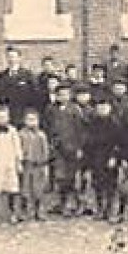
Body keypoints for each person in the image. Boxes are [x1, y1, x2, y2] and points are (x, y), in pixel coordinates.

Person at [47, 84, 86, 217]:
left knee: (72, 178)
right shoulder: (51, 109)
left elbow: (81, 130)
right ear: (56, 96)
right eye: (60, 94)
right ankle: (62, 204)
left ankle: (78, 203)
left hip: (72, 148)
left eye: (66, 94)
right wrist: (51, 144)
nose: (63, 97)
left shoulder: (75, 110)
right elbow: (48, 127)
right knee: (60, 177)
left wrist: (79, 147)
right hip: (57, 149)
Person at [82, 98, 121, 221]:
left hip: (110, 158)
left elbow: (119, 143)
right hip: (96, 158)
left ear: (109, 109)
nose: (102, 110)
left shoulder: (115, 124)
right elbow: (87, 142)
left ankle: (109, 210)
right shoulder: (92, 123)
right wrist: (87, 159)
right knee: (97, 184)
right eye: (99, 108)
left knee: (110, 185)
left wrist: (114, 157)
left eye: (104, 108)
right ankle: (99, 208)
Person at [0, 105, 24, 224]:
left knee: (12, 188)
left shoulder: (12, 130)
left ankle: (12, 212)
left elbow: (17, 147)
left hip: (10, 161)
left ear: (8, 118)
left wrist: (18, 162)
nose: (2, 119)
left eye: (4, 117)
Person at [17, 108, 50, 222]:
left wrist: (44, 164)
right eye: (29, 120)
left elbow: (45, 151)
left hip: (38, 165)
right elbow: (18, 149)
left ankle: (38, 211)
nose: (31, 122)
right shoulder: (21, 134)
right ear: (24, 121)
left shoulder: (41, 135)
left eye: (34, 120)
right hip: (26, 165)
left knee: (38, 190)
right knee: (25, 189)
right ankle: (24, 211)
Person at [0, 47, 37, 126]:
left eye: (13, 57)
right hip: (8, 114)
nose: (11, 59)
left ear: (19, 58)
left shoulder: (28, 75)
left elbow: (35, 94)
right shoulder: (2, 76)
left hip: (23, 114)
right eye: (9, 57)